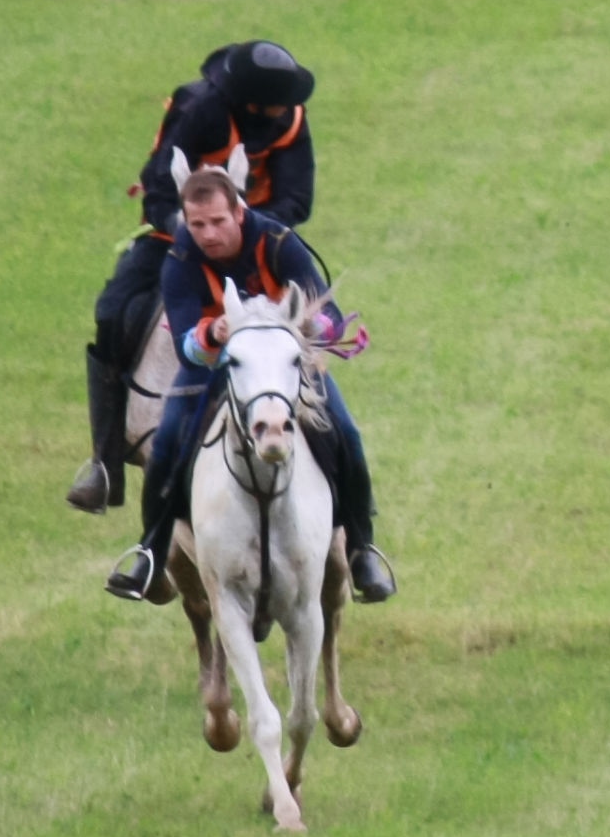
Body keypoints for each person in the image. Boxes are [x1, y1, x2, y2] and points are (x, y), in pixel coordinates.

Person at [104, 168, 395, 608]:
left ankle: (361, 548)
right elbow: (185, 346)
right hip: (216, 366)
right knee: (166, 444)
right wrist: (212, 333)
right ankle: (151, 550)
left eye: (218, 222)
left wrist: (306, 324)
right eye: (197, 225)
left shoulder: (278, 243)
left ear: (239, 212)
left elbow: (330, 315)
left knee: (345, 433)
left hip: (281, 364)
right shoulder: (181, 259)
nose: (207, 234)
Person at [68, 40, 317, 517]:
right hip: (177, 236)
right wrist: (195, 230)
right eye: (276, 105)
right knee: (113, 311)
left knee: (296, 334)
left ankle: (347, 518)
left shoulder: (292, 121)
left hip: (258, 239)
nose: (285, 112)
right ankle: (105, 462)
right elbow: (160, 182)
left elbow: (296, 199)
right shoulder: (198, 109)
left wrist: (247, 229)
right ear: (252, 103)